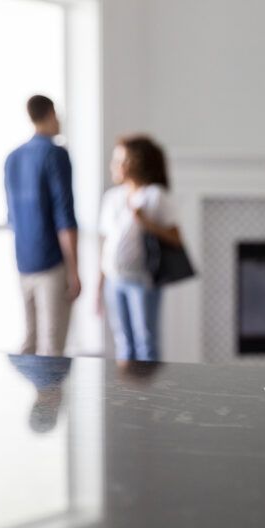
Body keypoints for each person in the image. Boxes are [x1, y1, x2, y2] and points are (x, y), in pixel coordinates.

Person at [4, 95, 80, 356]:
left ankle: (28, 385)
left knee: (30, 340)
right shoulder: (56, 154)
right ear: (50, 113)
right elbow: (64, 217)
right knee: (52, 347)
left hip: (24, 260)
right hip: (52, 261)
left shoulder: (12, 158)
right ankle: (49, 386)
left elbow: (11, 218)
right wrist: (74, 270)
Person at [97, 135, 181, 362]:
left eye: (120, 161)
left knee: (146, 343)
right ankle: (129, 385)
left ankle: (150, 386)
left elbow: (176, 239)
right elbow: (105, 245)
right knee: (123, 343)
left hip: (143, 280)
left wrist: (146, 222)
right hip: (114, 280)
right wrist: (99, 286)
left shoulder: (155, 196)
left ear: (135, 163)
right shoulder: (112, 198)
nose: (114, 166)